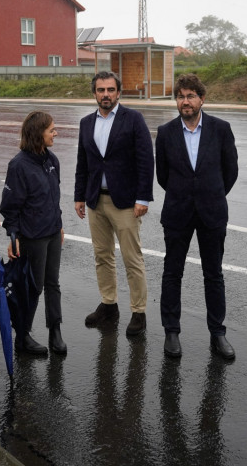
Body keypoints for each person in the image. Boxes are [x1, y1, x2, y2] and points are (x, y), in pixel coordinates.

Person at [155, 73, 239, 360]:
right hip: (177, 212)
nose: (185, 101)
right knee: (172, 272)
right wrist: (185, 194)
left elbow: (231, 171)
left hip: (212, 213)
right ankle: (171, 332)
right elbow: (163, 176)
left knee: (213, 274)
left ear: (202, 99)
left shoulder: (221, 129)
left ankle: (218, 334)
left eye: (191, 96)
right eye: (180, 96)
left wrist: (210, 194)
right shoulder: (165, 133)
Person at [74, 71, 154, 336]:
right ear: (94, 93)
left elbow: (145, 161)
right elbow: (82, 163)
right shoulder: (86, 123)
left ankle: (138, 312)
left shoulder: (133, 119)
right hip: (96, 200)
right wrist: (79, 196)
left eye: (110, 90)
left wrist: (143, 198)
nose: (105, 94)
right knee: (102, 256)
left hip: (126, 203)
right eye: (100, 90)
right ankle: (109, 305)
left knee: (132, 258)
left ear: (118, 92)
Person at [0, 111, 66, 356]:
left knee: (53, 283)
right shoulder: (18, 165)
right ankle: (23, 336)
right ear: (39, 133)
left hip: (51, 232)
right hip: (32, 236)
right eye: (51, 130)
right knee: (33, 287)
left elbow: (54, 197)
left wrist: (59, 224)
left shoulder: (52, 161)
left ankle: (55, 330)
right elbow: (10, 207)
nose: (55, 133)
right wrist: (14, 237)